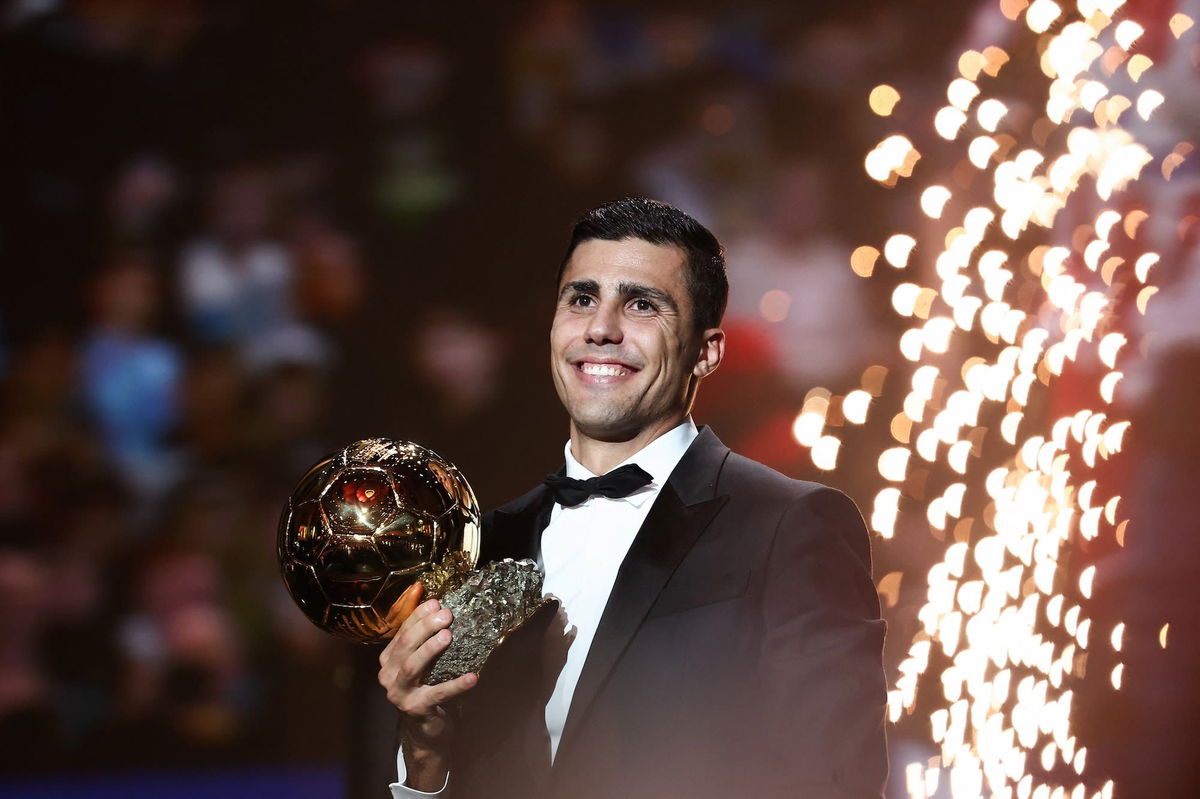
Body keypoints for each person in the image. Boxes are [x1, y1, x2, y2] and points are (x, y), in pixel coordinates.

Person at [377, 197, 887, 798]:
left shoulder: (791, 525)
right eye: (581, 298)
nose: (600, 328)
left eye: (642, 304)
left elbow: (836, 782)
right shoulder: (486, 544)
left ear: (707, 351)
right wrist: (426, 753)